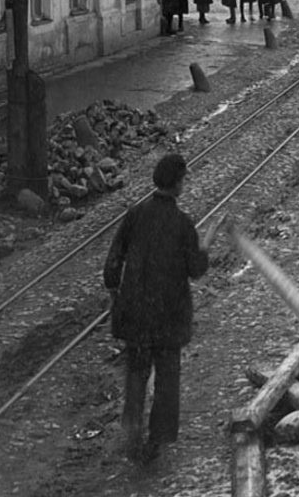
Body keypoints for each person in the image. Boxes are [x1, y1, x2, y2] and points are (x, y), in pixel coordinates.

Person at [103, 153, 209, 463]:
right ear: (178, 184)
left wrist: (113, 289)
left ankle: (132, 429)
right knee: (167, 377)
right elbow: (195, 269)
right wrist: (203, 251)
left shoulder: (135, 214)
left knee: (136, 372)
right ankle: (158, 438)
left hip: (135, 313)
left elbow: (113, 259)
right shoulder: (182, 224)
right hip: (168, 316)